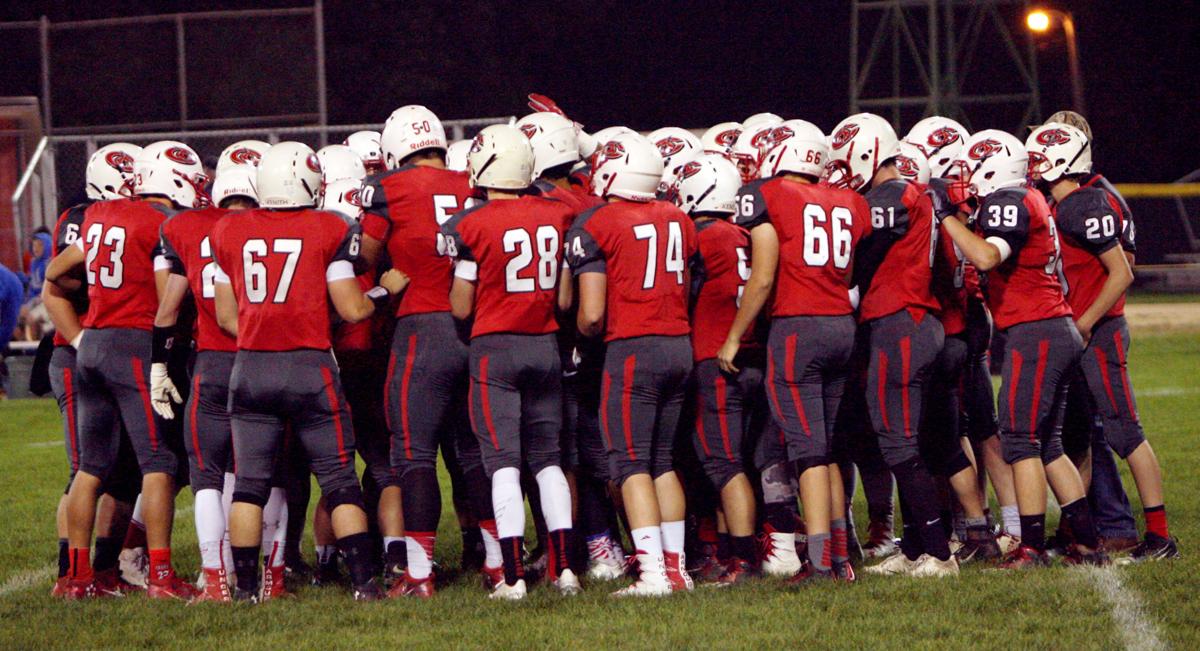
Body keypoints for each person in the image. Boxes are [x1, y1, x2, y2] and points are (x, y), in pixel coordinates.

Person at [210, 141, 407, 601]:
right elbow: (354, 309)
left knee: (250, 486)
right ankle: (364, 585)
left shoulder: (228, 231)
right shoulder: (328, 227)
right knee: (338, 480)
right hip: (309, 368)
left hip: (252, 366)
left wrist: (266, 331)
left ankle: (244, 590)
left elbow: (225, 316)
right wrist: (382, 292)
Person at [44, 141, 208, 599]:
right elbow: (168, 297)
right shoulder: (165, 223)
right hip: (135, 343)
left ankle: (75, 579)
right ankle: (159, 576)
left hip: (91, 344)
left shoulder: (97, 216)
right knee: (159, 462)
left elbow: (56, 270)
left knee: (90, 469)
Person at [938, 130, 1104, 568]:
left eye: (973, 166)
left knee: (1020, 440)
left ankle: (1030, 547)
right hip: (1053, 327)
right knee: (1047, 444)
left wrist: (946, 218)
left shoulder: (1009, 199)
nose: (965, 177)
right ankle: (1087, 543)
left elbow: (988, 257)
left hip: (1038, 331)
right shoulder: (1025, 197)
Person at [723, 122, 870, 581]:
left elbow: (763, 277)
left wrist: (733, 336)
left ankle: (823, 561)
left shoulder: (769, 194)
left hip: (797, 329)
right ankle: (841, 555)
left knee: (808, 451)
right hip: (841, 325)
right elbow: (848, 275)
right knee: (823, 447)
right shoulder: (851, 201)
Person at [359, 105, 495, 598]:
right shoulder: (475, 180)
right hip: (475, 330)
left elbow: (364, 257)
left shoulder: (387, 189)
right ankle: (498, 565)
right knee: (475, 451)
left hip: (420, 330)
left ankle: (419, 574)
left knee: (413, 456)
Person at [1026, 123, 1178, 561]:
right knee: (1077, 437)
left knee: (1124, 432)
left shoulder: (1082, 204)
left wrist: (1086, 322)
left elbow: (1122, 271)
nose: (1033, 165)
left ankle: (1160, 536)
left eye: (1040, 156)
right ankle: (1077, 532)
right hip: (1079, 333)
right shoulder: (1062, 204)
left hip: (1100, 332)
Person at [442, 124, 581, 599]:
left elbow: (461, 306)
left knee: (502, 463)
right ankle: (565, 571)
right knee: (548, 461)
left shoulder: (471, 223)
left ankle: (513, 577)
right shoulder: (555, 215)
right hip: (544, 346)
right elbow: (564, 300)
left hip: (494, 350)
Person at [566, 133, 698, 596]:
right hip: (679, 345)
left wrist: (582, 338)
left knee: (630, 464)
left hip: (633, 350)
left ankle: (652, 575)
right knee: (663, 460)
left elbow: (592, 313)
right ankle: (676, 570)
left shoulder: (596, 222)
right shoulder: (680, 218)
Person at [152, 159, 283, 602]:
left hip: (210, 363)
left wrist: (159, 364)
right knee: (259, 473)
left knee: (206, 474)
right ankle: (271, 577)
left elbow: (166, 312)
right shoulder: (280, 225)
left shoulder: (186, 228)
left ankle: (216, 581)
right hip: (264, 360)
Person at [41, 143, 144, 596]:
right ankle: (71, 570)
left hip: (109, 350)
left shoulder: (130, 218)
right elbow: (55, 284)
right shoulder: (80, 219)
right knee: (85, 466)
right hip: (80, 349)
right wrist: (84, 340)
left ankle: (104, 567)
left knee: (123, 471)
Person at [672, 154, 763, 584]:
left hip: (715, 358)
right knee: (731, 461)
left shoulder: (703, 238)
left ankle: (744, 560)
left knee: (723, 464)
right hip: (751, 356)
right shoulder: (746, 233)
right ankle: (730, 553)